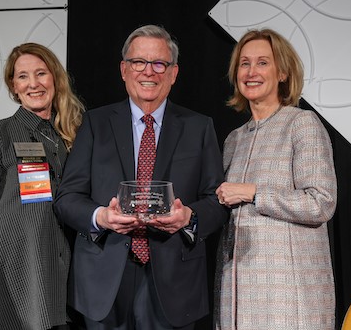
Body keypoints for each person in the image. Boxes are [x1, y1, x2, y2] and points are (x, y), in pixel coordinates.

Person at [54, 24, 229, 330]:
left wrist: (189, 217)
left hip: (175, 282)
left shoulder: (199, 127)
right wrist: (101, 217)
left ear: (173, 73)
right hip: (104, 279)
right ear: (124, 69)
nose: (149, 71)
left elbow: (216, 200)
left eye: (160, 63)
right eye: (139, 62)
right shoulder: (95, 124)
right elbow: (67, 198)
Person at [214, 28, 337, 329]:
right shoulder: (234, 139)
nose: (251, 72)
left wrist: (255, 192)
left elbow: (321, 202)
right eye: (244, 63)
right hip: (235, 294)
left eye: (262, 63)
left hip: (289, 296)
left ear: (282, 72)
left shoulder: (301, 124)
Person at [0, 42, 85, 330]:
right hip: (15, 282)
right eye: (22, 77)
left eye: (41, 73)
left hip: (68, 283)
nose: (33, 84)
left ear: (55, 78)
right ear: (13, 87)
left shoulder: (75, 137)